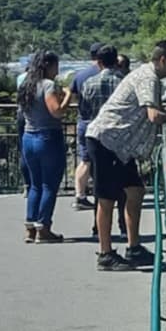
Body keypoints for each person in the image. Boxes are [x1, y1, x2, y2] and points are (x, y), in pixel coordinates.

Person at [86, 40, 166, 271]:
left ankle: (134, 247)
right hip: (108, 141)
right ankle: (105, 254)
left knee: (135, 191)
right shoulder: (149, 78)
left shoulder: (148, 76)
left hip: (121, 147)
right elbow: (153, 115)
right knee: (106, 199)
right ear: (163, 60)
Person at [17, 50, 74, 242]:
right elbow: (56, 112)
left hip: (28, 136)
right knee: (49, 185)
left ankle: (30, 227)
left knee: (35, 185)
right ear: (48, 65)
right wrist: (67, 96)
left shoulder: (26, 85)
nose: (57, 70)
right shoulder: (47, 85)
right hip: (48, 137)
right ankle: (44, 227)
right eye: (56, 66)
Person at [78, 44, 128, 236]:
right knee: (123, 184)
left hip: (97, 138)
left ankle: (98, 227)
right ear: (116, 61)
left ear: (98, 62)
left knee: (100, 185)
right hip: (121, 138)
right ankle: (124, 226)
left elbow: (84, 112)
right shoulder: (124, 82)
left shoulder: (89, 83)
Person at [69, 45, 103, 210]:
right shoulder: (104, 73)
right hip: (101, 123)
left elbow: (75, 97)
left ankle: (80, 195)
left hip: (83, 121)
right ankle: (105, 194)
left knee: (85, 160)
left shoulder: (80, 75)